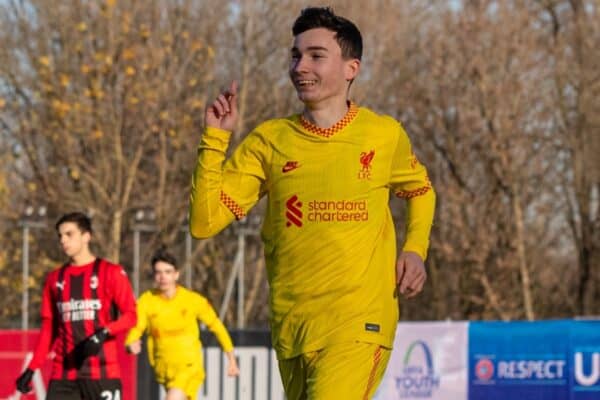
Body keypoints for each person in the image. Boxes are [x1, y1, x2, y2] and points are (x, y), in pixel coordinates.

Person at [189, 6, 435, 399]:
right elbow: (204, 222)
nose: (300, 65)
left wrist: (415, 250)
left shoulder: (383, 135)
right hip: (293, 330)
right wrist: (215, 140)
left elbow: (421, 191)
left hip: (359, 324)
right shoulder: (269, 140)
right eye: (295, 55)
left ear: (351, 67)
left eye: (316, 55)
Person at [15, 211, 137, 399]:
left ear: (86, 236)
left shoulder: (110, 272)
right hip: (63, 375)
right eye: (60, 236)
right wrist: (32, 369)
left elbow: (131, 315)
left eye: (69, 234)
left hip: (102, 374)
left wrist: (104, 332)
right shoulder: (55, 279)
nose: (63, 240)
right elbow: (49, 329)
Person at [125, 248, 240, 400]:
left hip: (189, 367)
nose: (163, 277)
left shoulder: (192, 300)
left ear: (176, 274)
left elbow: (217, 326)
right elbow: (137, 327)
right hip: (163, 369)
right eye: (158, 272)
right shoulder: (147, 300)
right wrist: (130, 343)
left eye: (168, 272)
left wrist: (231, 359)